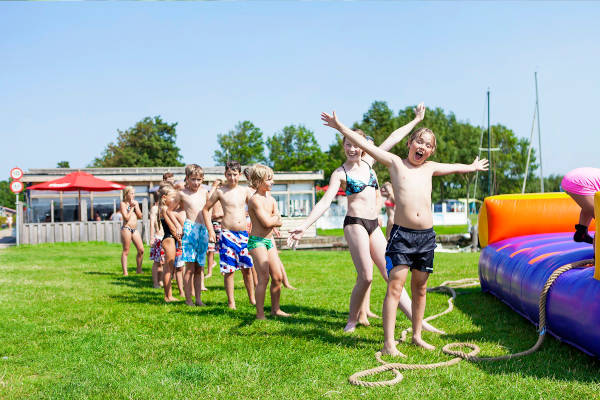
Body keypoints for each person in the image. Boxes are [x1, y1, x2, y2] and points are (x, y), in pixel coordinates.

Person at [322, 110, 488, 354]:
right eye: (419, 141)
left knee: (420, 288)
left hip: (426, 237)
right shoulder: (395, 163)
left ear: (431, 151)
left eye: (428, 145)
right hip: (402, 236)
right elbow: (361, 143)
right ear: (410, 144)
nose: (422, 147)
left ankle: (416, 335)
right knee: (395, 287)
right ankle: (389, 343)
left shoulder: (430, 167)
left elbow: (453, 167)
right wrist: (340, 127)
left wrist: (472, 166)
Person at [288, 103, 438, 333]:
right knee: (366, 276)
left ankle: (418, 322)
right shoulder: (341, 173)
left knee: (392, 274)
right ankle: (352, 319)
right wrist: (304, 225)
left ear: (362, 147)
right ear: (344, 146)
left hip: (373, 224)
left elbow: (394, 137)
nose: (352, 149)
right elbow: (325, 201)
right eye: (348, 144)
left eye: (356, 145)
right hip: (355, 223)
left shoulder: (370, 163)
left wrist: (416, 121)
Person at [203, 161, 255, 310]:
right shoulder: (220, 191)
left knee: (247, 268)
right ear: (225, 174)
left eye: (235, 175)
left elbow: (255, 206)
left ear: (239, 175)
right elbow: (206, 210)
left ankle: (252, 299)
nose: (232, 178)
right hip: (227, 233)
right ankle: (231, 302)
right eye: (229, 175)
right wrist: (211, 231)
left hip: (244, 234)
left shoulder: (245, 191)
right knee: (229, 270)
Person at [247, 164, 291, 319]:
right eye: (269, 179)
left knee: (278, 277)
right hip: (257, 242)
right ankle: (260, 314)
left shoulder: (271, 199)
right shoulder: (255, 200)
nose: (272, 182)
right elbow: (267, 222)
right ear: (258, 182)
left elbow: (278, 220)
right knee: (264, 277)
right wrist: (275, 220)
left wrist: (274, 220)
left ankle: (276, 309)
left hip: (269, 240)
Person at [178, 165, 210, 307]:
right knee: (189, 267)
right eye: (193, 179)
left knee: (199, 267)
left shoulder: (204, 193)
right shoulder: (182, 194)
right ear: (187, 179)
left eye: (199, 180)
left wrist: (211, 229)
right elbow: (169, 210)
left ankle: (198, 299)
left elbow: (208, 212)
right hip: (190, 229)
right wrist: (179, 225)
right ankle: (188, 299)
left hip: (203, 230)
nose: (196, 183)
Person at [159, 182, 185, 302]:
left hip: (171, 238)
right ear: (164, 198)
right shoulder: (164, 208)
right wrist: (178, 238)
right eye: (172, 197)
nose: (175, 200)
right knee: (168, 269)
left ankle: (169, 295)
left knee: (171, 268)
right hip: (169, 238)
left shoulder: (168, 209)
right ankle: (167, 296)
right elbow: (171, 226)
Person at [561, 168, 600, 245]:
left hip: (573, 178)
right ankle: (598, 254)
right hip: (577, 182)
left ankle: (581, 232)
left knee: (590, 205)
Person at [119, 186, 144, 276]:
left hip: (134, 229)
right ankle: (125, 272)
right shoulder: (123, 204)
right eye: (131, 193)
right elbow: (126, 217)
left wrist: (136, 207)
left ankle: (139, 270)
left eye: (134, 193)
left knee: (141, 250)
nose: (133, 195)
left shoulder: (135, 203)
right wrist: (132, 207)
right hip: (126, 228)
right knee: (126, 250)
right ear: (126, 194)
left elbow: (140, 216)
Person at [206, 179, 224, 278]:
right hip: (213, 224)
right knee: (210, 249)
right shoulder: (212, 196)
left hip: (222, 223)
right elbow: (208, 198)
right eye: (216, 187)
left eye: (219, 187)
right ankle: (209, 272)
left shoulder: (224, 196)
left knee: (224, 248)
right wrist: (213, 187)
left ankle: (224, 269)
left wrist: (220, 214)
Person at [149, 192, 164, 288]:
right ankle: (155, 282)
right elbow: (151, 223)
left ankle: (161, 281)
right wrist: (151, 238)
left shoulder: (166, 207)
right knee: (156, 262)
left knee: (164, 262)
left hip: (165, 237)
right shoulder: (154, 208)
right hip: (158, 238)